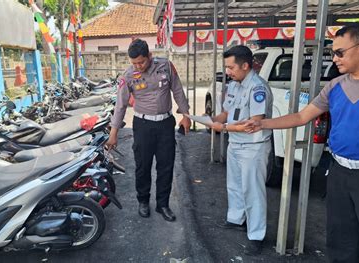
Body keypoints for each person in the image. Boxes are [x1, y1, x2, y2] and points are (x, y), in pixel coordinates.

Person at [243, 24, 359, 262]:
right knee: (340, 238)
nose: (334, 59)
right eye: (333, 52)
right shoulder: (336, 86)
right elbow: (302, 116)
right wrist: (262, 124)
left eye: (340, 53)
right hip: (339, 173)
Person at [106, 39, 191, 222]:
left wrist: (186, 115)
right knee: (143, 166)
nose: (138, 66)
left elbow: (177, 90)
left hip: (165, 123)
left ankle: (163, 204)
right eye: (134, 63)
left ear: (150, 56)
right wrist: (113, 133)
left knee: (166, 166)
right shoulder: (128, 75)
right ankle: (143, 201)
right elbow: (120, 106)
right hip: (143, 125)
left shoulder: (166, 66)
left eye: (141, 62)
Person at [209, 45, 273, 255]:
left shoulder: (258, 88)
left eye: (231, 67)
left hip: (253, 147)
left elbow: (254, 123)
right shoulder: (235, 85)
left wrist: (223, 128)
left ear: (245, 65)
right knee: (234, 185)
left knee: (253, 192)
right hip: (235, 144)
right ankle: (236, 219)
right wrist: (210, 120)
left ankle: (256, 235)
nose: (227, 72)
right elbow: (226, 112)